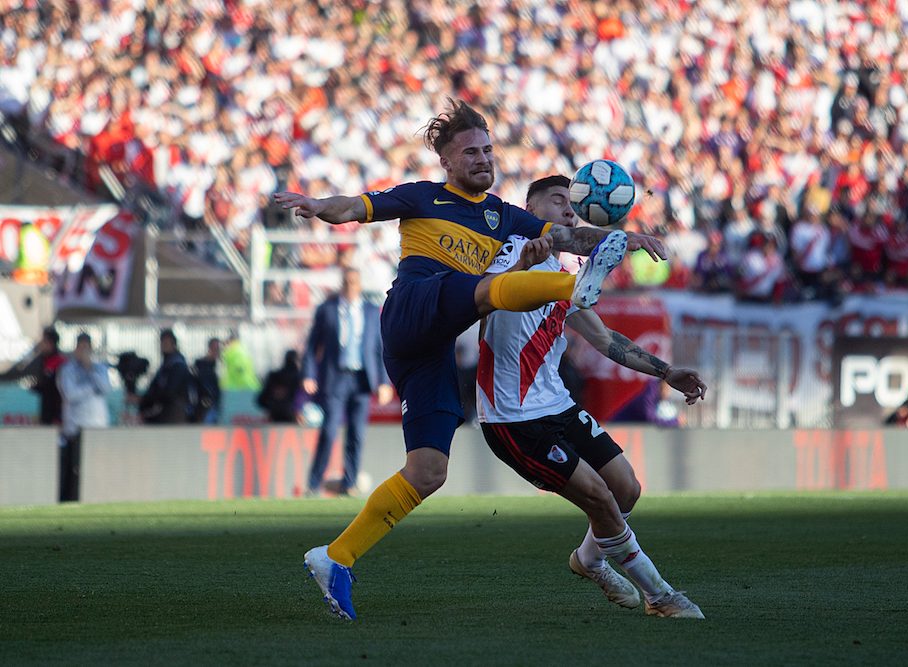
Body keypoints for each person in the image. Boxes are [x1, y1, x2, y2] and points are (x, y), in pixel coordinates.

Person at [275, 98, 667, 620]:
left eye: (487, 150)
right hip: (413, 306)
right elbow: (353, 207)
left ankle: (335, 557)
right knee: (483, 289)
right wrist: (317, 204)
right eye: (470, 152)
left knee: (428, 471)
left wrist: (623, 238)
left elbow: (567, 235)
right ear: (447, 161)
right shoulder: (423, 196)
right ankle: (573, 288)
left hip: (431, 346)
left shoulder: (503, 216)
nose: (482, 159)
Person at [478, 175, 707, 619]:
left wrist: (666, 371)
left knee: (625, 489)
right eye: (557, 200)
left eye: (573, 203)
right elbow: (486, 299)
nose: (569, 209)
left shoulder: (565, 278)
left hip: (558, 405)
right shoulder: (507, 255)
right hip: (513, 418)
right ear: (529, 209)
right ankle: (661, 596)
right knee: (600, 497)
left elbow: (603, 339)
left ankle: (589, 560)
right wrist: (523, 263)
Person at [302, 268, 392, 496]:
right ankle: (313, 484)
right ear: (341, 284)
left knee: (356, 434)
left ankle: (349, 483)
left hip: (361, 379)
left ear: (360, 285)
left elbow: (379, 348)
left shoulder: (371, 311)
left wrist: (384, 382)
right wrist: (309, 374)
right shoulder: (327, 310)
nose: (350, 286)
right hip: (336, 377)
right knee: (329, 431)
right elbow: (312, 346)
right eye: (347, 282)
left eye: (354, 282)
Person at [56, 332, 111, 502]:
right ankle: (72, 500)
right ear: (75, 349)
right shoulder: (67, 370)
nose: (83, 351)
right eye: (80, 347)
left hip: (97, 426)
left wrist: (90, 370)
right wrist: (92, 388)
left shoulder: (100, 368)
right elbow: (70, 394)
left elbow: (106, 388)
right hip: (76, 427)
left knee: (97, 467)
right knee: (75, 468)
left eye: (86, 348)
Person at [139, 329, 194, 424]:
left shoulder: (177, 365)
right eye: (162, 343)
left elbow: (169, 392)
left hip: (173, 412)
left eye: (166, 343)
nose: (163, 346)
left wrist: (146, 399)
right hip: (168, 410)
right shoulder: (167, 364)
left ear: (174, 344)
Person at [258, 350, 303, 424]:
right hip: (295, 418)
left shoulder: (274, 376)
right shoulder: (301, 378)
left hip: (274, 416)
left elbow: (261, 400)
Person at [193, 337, 222, 424]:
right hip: (206, 404)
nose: (216, 351)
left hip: (219, 403)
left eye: (218, 349)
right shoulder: (201, 365)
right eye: (214, 348)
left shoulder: (221, 365)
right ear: (209, 348)